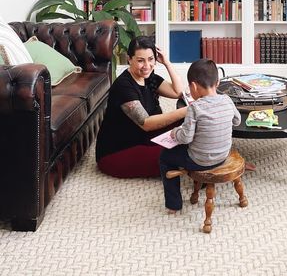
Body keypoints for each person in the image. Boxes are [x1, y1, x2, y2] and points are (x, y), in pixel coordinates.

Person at [96, 36, 186, 178]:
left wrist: (166, 62)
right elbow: (146, 124)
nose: (147, 65)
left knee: (187, 122)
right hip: (118, 152)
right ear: (129, 59)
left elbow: (178, 92)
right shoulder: (123, 86)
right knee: (178, 152)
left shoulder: (149, 77)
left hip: (143, 137)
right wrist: (184, 111)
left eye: (151, 59)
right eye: (140, 60)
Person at [159, 58, 241, 213]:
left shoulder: (194, 108)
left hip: (199, 160)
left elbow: (186, 138)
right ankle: (200, 183)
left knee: (165, 156)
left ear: (194, 86)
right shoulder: (227, 100)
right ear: (217, 83)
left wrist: (174, 132)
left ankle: (173, 205)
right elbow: (237, 121)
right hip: (223, 155)